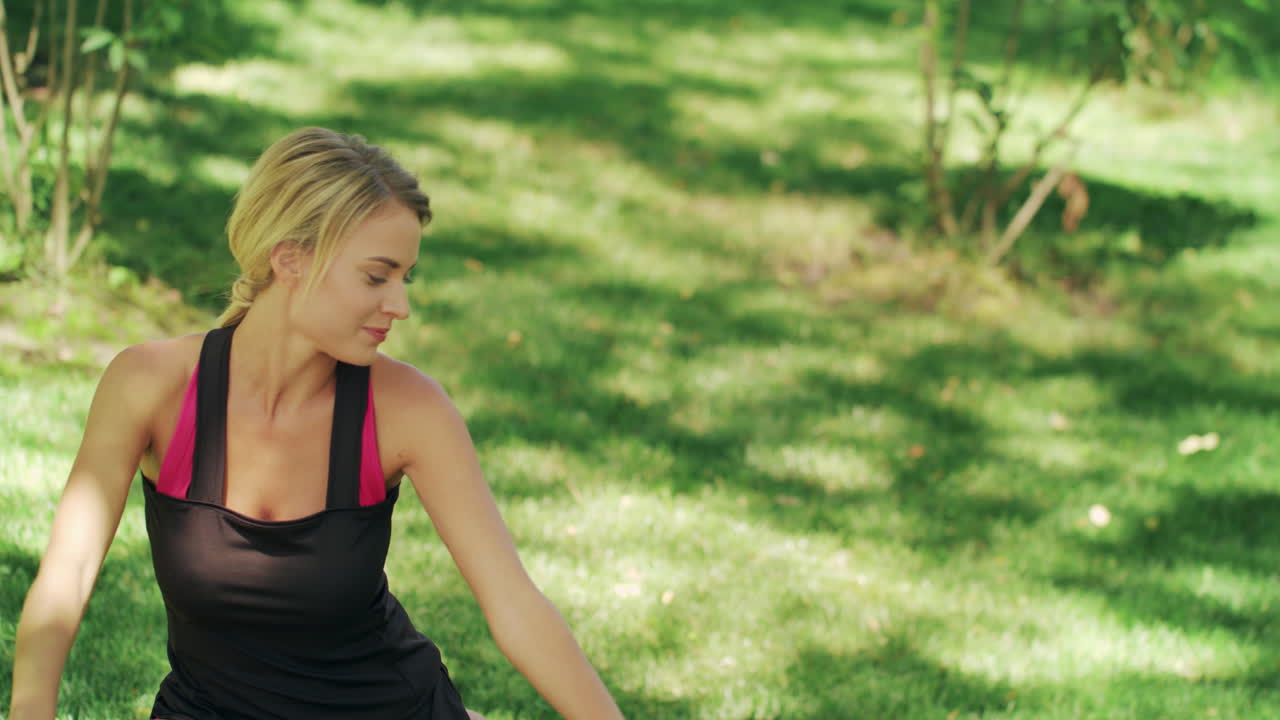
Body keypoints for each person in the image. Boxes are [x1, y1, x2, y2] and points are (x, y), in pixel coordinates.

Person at [8, 127, 626, 720]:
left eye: (405, 278)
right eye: (376, 275)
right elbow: (69, 573)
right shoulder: (152, 386)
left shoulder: (409, 408)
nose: (401, 304)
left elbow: (513, 602)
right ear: (290, 260)